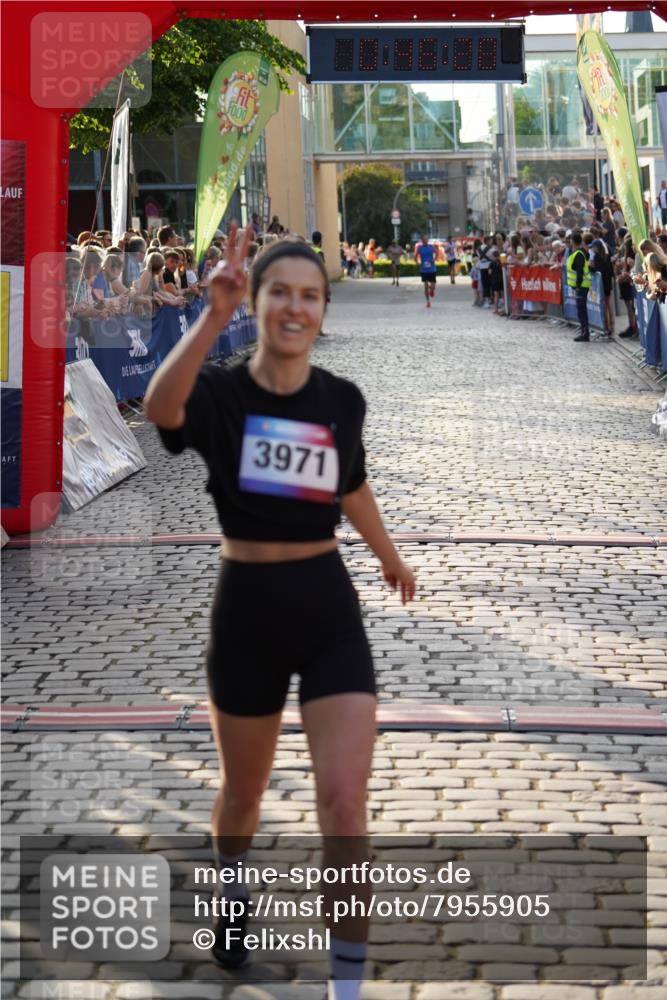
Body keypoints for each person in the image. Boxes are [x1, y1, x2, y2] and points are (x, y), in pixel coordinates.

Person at [144, 228, 416, 1000]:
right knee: (243, 794)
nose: (294, 307)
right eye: (278, 292)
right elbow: (163, 409)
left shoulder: (341, 400)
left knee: (342, 799)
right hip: (247, 617)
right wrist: (207, 318)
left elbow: (349, 484)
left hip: (328, 609)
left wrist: (389, 556)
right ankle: (233, 891)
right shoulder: (224, 393)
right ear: (256, 302)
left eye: (309, 295)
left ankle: (346, 988)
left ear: (322, 310)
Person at [567, 232, 592, 342]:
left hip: (581, 286)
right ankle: (583, 331)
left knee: (582, 310)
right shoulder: (577, 253)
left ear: (572, 241)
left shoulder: (578, 254)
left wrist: (577, 285)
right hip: (581, 286)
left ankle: (585, 333)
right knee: (580, 310)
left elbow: (580, 271)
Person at [588, 239, 614, 337]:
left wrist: (590, 266)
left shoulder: (597, 257)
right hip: (607, 283)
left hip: (601, 283)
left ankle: (606, 327)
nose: (591, 248)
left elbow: (598, 270)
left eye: (593, 247)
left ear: (597, 247)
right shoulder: (607, 256)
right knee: (608, 305)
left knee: (604, 306)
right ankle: (611, 326)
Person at [414, 235, 437, 307]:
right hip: (424, 270)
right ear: (422, 240)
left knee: (433, 286)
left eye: (426, 239)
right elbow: (415, 256)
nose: (425, 241)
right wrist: (418, 263)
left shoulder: (431, 247)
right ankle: (428, 302)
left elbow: (437, 252)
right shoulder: (419, 248)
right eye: (424, 240)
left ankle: (432, 289)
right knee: (425, 286)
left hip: (432, 269)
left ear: (427, 240)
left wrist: (434, 260)